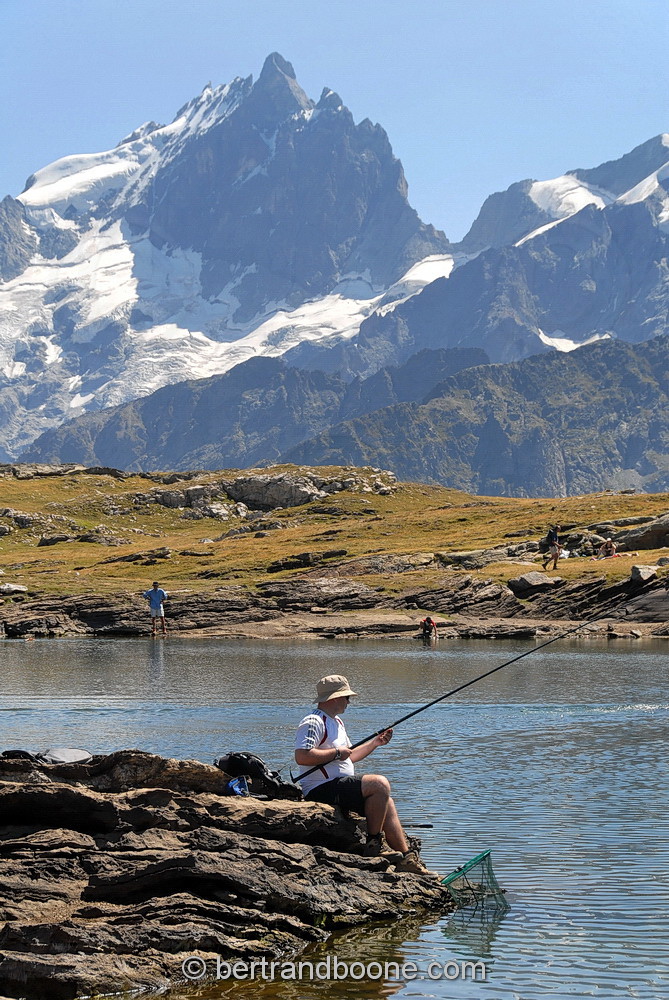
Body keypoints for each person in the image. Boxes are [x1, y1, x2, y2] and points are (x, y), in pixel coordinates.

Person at [294, 674, 436, 876]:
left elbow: (349, 757)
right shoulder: (313, 721)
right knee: (379, 784)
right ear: (335, 698)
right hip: (320, 789)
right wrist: (335, 752)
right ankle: (373, 844)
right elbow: (302, 756)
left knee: (387, 801)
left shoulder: (338, 723)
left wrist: (375, 743)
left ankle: (405, 858)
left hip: (338, 786)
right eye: (347, 697)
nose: (349, 702)